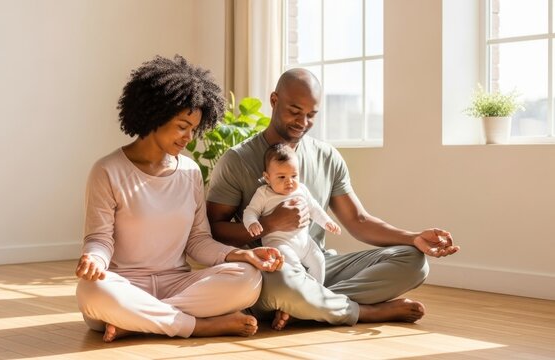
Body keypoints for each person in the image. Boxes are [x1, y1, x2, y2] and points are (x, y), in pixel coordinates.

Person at [206, 68, 460, 331]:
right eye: (295, 111)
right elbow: (213, 230)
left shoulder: (327, 157)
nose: (302, 121)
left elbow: (358, 220)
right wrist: (270, 224)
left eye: (311, 115)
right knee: (283, 282)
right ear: (274, 100)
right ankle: (361, 311)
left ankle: (308, 305)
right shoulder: (236, 160)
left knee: (414, 262)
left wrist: (413, 238)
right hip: (271, 268)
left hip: (319, 265)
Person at [75, 55, 284, 342]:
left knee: (247, 278)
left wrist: (241, 254)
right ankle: (199, 326)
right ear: (155, 115)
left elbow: (198, 240)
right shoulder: (107, 170)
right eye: (182, 126)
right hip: (125, 284)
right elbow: (100, 238)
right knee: (92, 292)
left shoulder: (189, 171)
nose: (189, 137)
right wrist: (94, 259)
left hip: (179, 284)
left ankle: (139, 321)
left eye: (194, 129)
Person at [243, 143, 341, 285]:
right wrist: (252, 222)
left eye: (294, 176)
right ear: (267, 177)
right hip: (279, 243)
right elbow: (251, 211)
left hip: (304, 242)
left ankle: (318, 288)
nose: (289, 182)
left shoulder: (301, 190)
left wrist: (327, 222)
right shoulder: (264, 193)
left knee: (318, 260)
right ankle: (304, 288)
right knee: (293, 267)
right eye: (282, 177)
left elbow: (314, 208)